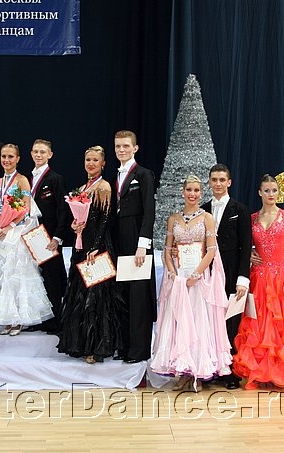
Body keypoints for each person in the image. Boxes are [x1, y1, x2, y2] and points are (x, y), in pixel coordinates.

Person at [233, 174, 284, 389]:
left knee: (283, 327)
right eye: (267, 190)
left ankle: (282, 371)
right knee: (259, 326)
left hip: (281, 279)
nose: (271, 194)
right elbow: (244, 244)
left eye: (274, 190)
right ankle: (262, 372)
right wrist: (250, 253)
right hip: (259, 278)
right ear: (260, 193)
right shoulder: (252, 218)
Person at [152, 175, 232, 391]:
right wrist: (172, 273)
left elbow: (212, 250)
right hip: (179, 278)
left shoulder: (207, 218)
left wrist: (196, 274)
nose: (192, 194)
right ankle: (182, 371)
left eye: (196, 190)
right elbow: (167, 250)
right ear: (183, 192)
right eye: (189, 190)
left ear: (201, 193)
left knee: (198, 323)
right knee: (179, 322)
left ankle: (197, 371)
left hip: (198, 278)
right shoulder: (173, 219)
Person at [0, 144, 54, 335]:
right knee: (1, 276)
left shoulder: (22, 181)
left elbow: (25, 210)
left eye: (10, 156)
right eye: (3, 156)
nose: (6, 160)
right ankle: (6, 318)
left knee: (15, 276)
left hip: (15, 234)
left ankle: (18, 319)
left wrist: (10, 225)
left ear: (18, 159)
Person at [57, 146, 126, 363]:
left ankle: (96, 347)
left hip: (97, 247)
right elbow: (79, 219)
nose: (91, 163)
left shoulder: (103, 187)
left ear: (103, 164)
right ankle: (80, 343)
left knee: (96, 298)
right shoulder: (81, 188)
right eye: (88, 159)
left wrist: (95, 246)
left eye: (95, 160)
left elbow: (106, 219)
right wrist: (74, 226)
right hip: (81, 246)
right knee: (80, 295)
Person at [200, 164, 251, 390]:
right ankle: (211, 368)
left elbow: (246, 246)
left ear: (229, 182)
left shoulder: (241, 209)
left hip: (231, 272)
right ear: (209, 182)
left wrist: (243, 278)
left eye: (222, 180)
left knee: (231, 322)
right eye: (214, 180)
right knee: (211, 319)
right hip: (209, 273)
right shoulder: (203, 209)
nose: (218, 184)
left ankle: (229, 371)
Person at [111, 130, 156, 364]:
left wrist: (143, 244)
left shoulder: (144, 174)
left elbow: (149, 211)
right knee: (123, 293)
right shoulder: (115, 176)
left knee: (139, 296)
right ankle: (124, 345)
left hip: (137, 238)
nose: (122, 150)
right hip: (119, 238)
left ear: (135, 148)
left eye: (126, 146)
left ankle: (139, 350)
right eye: (118, 146)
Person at [29, 139, 69, 334]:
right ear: (31, 153)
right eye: (36, 151)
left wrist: (58, 237)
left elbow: (63, 209)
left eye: (42, 152)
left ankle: (56, 320)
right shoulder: (28, 178)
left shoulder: (55, 178)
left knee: (53, 278)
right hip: (32, 235)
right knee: (38, 278)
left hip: (48, 237)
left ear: (50, 155)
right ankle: (42, 318)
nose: (38, 155)